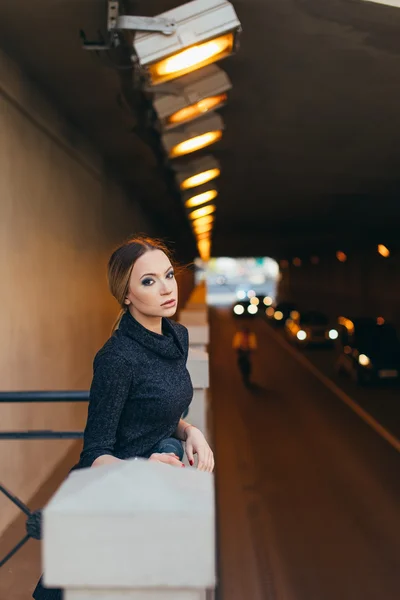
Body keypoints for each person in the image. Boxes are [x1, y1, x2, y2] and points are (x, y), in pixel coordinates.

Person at [33, 236, 214, 600]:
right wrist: (146, 467)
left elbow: (159, 410)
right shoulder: (117, 358)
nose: (165, 288)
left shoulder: (176, 337)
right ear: (126, 295)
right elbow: (95, 451)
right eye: (148, 281)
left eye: (168, 275)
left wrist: (188, 430)